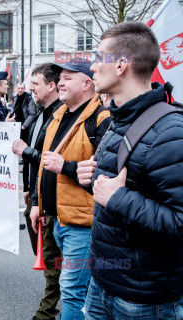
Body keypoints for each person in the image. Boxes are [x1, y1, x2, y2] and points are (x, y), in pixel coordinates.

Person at [78, 21, 183, 318]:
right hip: (102, 284)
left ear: (122, 64)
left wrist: (117, 197)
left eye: (100, 58)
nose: (93, 67)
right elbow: (124, 190)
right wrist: (93, 181)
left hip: (145, 301)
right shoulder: (118, 120)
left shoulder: (171, 130)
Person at [29, 59, 110, 320]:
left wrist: (67, 167)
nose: (60, 82)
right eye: (60, 77)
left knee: (72, 288)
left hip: (82, 224)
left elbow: (107, 173)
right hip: (58, 219)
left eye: (68, 78)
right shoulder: (58, 116)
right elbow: (43, 165)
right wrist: (37, 205)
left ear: (88, 84)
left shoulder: (101, 119)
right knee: (82, 289)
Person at [12, 63, 64, 320]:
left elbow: (50, 160)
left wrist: (38, 199)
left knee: (53, 255)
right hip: (37, 196)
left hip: (49, 199)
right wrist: (29, 190)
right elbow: (34, 154)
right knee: (47, 254)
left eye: (35, 83)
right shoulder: (41, 113)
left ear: (52, 86)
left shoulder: (60, 116)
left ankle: (47, 311)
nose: (30, 87)